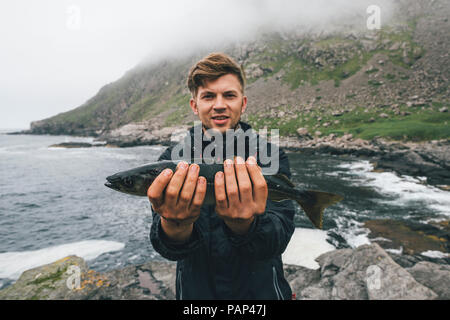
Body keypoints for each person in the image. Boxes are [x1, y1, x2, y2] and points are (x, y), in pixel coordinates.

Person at [148, 52, 295, 300]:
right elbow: (168, 248)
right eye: (208, 96)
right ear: (195, 106)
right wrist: (175, 225)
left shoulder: (271, 156)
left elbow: (278, 238)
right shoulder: (169, 161)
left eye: (229, 95)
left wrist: (246, 226)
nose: (219, 104)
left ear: (243, 103)